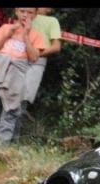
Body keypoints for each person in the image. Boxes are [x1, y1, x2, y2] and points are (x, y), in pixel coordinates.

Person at [0, 8, 46, 143]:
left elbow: (33, 57)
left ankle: (1, 142)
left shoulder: (37, 35)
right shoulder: (6, 28)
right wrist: (7, 35)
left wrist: (26, 36)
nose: (25, 15)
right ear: (16, 12)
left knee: (10, 110)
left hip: (17, 77)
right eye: (22, 11)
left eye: (30, 13)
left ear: (35, 15)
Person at [15, 7, 62, 140]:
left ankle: (13, 137)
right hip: (16, 56)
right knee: (9, 93)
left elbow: (56, 46)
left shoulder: (52, 21)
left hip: (36, 62)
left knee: (23, 97)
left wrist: (36, 54)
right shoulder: (25, 14)